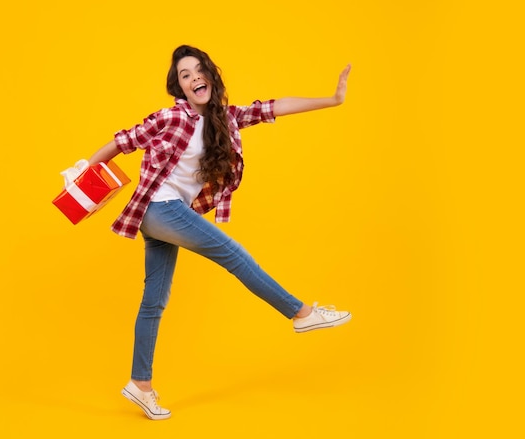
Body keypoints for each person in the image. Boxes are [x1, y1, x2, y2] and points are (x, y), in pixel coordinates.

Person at [87, 45, 352, 420]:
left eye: (199, 70)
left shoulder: (226, 119)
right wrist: (83, 173)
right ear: (179, 87)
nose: (194, 77)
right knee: (234, 254)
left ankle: (139, 385)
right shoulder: (171, 117)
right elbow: (123, 141)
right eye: (185, 74)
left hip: (166, 215)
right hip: (159, 208)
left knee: (154, 302)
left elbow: (272, 108)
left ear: (210, 76)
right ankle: (301, 313)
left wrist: (332, 99)